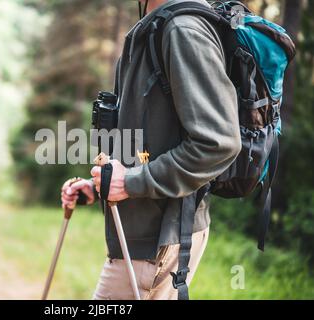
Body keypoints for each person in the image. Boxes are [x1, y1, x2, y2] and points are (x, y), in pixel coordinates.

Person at [61, 0, 241, 300]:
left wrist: (131, 182)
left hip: (159, 241)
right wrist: (100, 185)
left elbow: (218, 142)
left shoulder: (182, 30)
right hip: (144, 237)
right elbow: (155, 139)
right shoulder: (156, 28)